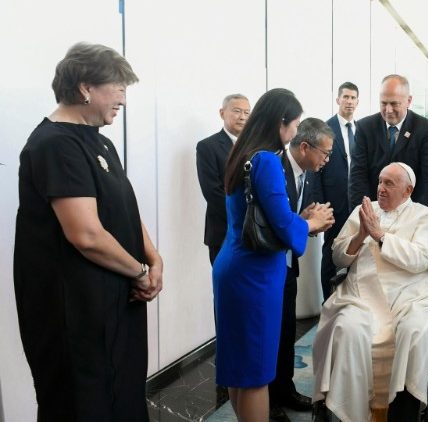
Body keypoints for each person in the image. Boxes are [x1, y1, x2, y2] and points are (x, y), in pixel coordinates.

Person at [14, 42, 162, 421]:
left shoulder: (100, 141)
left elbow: (124, 209)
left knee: (123, 397)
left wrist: (153, 257)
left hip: (115, 302)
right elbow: (87, 235)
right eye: (119, 88)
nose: (123, 100)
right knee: (85, 405)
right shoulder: (54, 145)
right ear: (85, 87)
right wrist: (140, 272)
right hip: (76, 314)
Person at [213, 88, 334, 422]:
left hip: (234, 265)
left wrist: (300, 221)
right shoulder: (267, 159)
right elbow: (282, 224)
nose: (296, 132)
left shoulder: (243, 151)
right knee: (255, 372)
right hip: (254, 274)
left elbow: (267, 215)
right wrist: (312, 223)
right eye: (295, 124)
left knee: (238, 366)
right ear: (281, 122)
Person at [312, 162, 428, 422]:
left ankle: (403, 413)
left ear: (408, 190)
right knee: (346, 328)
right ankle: (351, 413)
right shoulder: (362, 212)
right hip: (360, 293)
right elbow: (339, 257)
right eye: (380, 182)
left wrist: (380, 236)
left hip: (408, 295)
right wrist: (361, 234)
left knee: (415, 330)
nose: (381, 189)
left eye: (389, 184)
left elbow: (420, 259)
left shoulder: (425, 216)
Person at [269, 117, 335, 420]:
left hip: (286, 265)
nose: (326, 160)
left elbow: (290, 219)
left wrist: (306, 219)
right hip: (267, 266)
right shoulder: (273, 169)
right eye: (325, 153)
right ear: (305, 147)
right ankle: (268, 401)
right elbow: (274, 224)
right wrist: (308, 223)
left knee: (285, 330)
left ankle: (285, 388)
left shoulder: (304, 172)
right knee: (269, 335)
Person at [350, 74, 428, 216]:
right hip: (375, 211)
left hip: (412, 213)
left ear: (409, 101)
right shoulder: (365, 127)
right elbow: (357, 177)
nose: (388, 110)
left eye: (394, 104)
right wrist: (362, 215)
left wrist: (427, 220)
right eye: (383, 103)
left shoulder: (425, 129)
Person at [196, 94, 251, 264]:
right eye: (237, 111)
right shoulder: (207, 146)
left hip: (254, 232)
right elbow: (212, 192)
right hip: (223, 231)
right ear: (222, 113)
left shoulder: (256, 146)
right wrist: (244, 215)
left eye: (247, 112)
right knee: (227, 287)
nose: (242, 117)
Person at [320, 82, 360, 299]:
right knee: (331, 254)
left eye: (353, 98)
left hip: (358, 205)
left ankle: (351, 300)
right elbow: (315, 172)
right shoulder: (326, 128)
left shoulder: (362, 130)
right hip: (333, 204)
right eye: (345, 97)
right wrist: (319, 204)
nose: (349, 101)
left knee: (356, 253)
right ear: (338, 100)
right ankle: (328, 301)